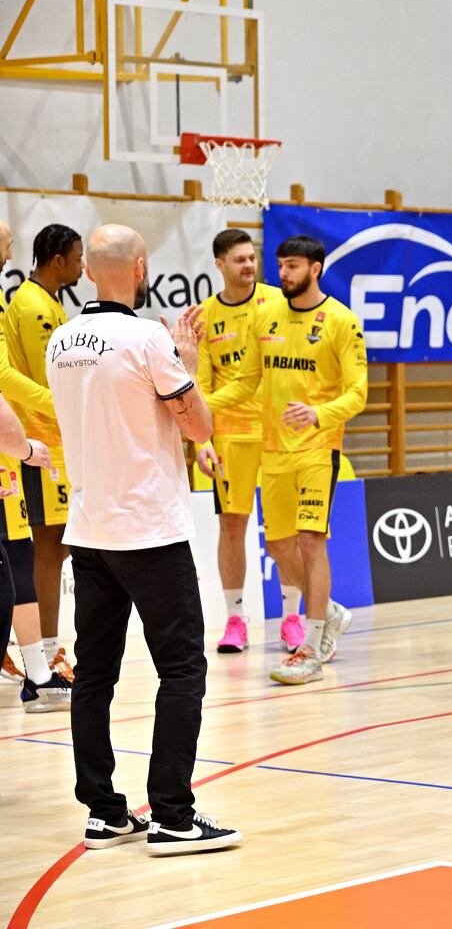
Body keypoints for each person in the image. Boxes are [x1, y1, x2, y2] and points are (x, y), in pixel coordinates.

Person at [51, 223, 241, 855]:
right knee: (183, 668)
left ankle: (104, 813)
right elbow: (198, 425)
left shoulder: (60, 340)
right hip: (150, 530)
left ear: (88, 271)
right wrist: (188, 365)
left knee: (95, 674)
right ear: (139, 269)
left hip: (89, 530)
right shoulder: (147, 338)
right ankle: (172, 815)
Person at [205, 235, 368, 685]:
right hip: (273, 450)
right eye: (280, 266)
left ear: (315, 269)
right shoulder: (267, 316)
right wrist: (194, 405)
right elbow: (245, 381)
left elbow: (358, 393)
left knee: (311, 540)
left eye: (292, 266)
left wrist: (319, 414)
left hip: (317, 447)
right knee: (279, 546)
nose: (283, 274)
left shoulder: (341, 321)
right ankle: (327, 610)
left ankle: (310, 649)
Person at [192, 229, 289, 654]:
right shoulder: (205, 316)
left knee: (286, 529)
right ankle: (235, 620)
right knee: (232, 527)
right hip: (231, 436)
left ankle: (292, 619)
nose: (249, 265)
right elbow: (200, 385)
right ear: (219, 265)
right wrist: (201, 440)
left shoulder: (278, 302)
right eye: (239, 260)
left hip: (278, 431)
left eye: (252, 258)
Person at [6, 222, 83, 682]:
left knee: (63, 544)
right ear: (57, 261)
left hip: (55, 441)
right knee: (49, 547)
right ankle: (48, 651)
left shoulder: (49, 302)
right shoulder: (34, 306)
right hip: (37, 444)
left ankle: (38, 647)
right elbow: (47, 377)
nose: (81, 267)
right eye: (77, 259)